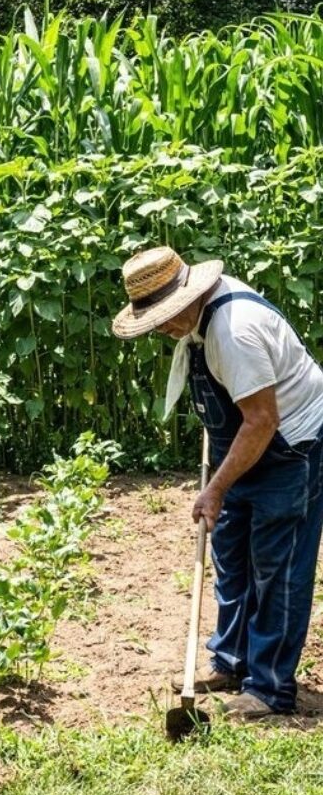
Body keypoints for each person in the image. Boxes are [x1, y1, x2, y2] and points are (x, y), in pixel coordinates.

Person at [112, 246, 323, 718]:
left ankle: (269, 688)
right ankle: (231, 661)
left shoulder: (233, 332)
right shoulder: (197, 323)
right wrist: (222, 480)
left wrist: (217, 487)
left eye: (163, 318)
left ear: (189, 296)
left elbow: (262, 419)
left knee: (277, 568)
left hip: (292, 446)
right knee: (230, 551)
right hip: (249, 445)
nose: (161, 329)